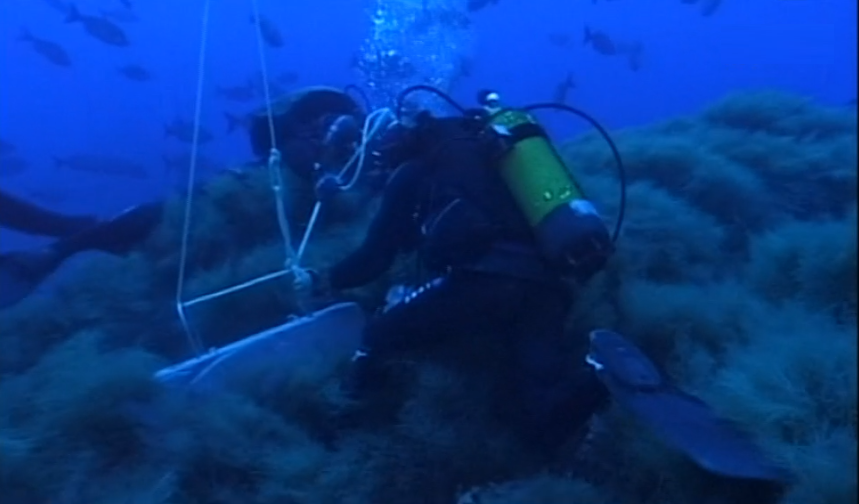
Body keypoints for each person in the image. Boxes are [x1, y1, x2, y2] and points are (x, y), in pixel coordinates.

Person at [294, 107, 616, 456]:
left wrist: (325, 280)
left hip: (481, 282)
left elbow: (375, 257)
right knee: (543, 403)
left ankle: (341, 430)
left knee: (377, 335)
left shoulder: (413, 172)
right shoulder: (495, 159)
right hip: (545, 286)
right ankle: (605, 379)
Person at [0, 87, 374, 310]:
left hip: (251, 252)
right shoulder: (268, 172)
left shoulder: (358, 172)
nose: (319, 136)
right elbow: (159, 215)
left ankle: (63, 248)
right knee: (164, 224)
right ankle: (58, 251)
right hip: (224, 220)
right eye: (313, 128)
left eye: (325, 128)